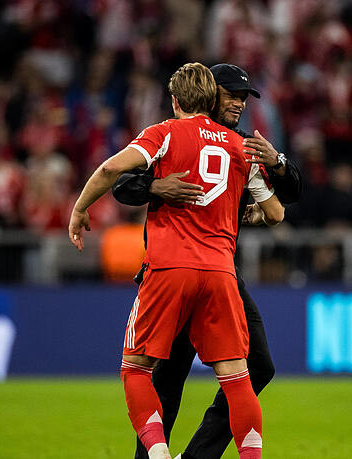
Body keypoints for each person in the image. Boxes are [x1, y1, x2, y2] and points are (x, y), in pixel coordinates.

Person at [68, 62, 284, 459]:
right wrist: (253, 207)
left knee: (136, 368)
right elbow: (275, 212)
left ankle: (157, 454)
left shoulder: (163, 133)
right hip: (220, 272)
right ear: (212, 98)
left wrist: (80, 208)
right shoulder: (240, 147)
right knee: (238, 379)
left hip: (169, 269)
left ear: (174, 99)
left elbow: (110, 169)